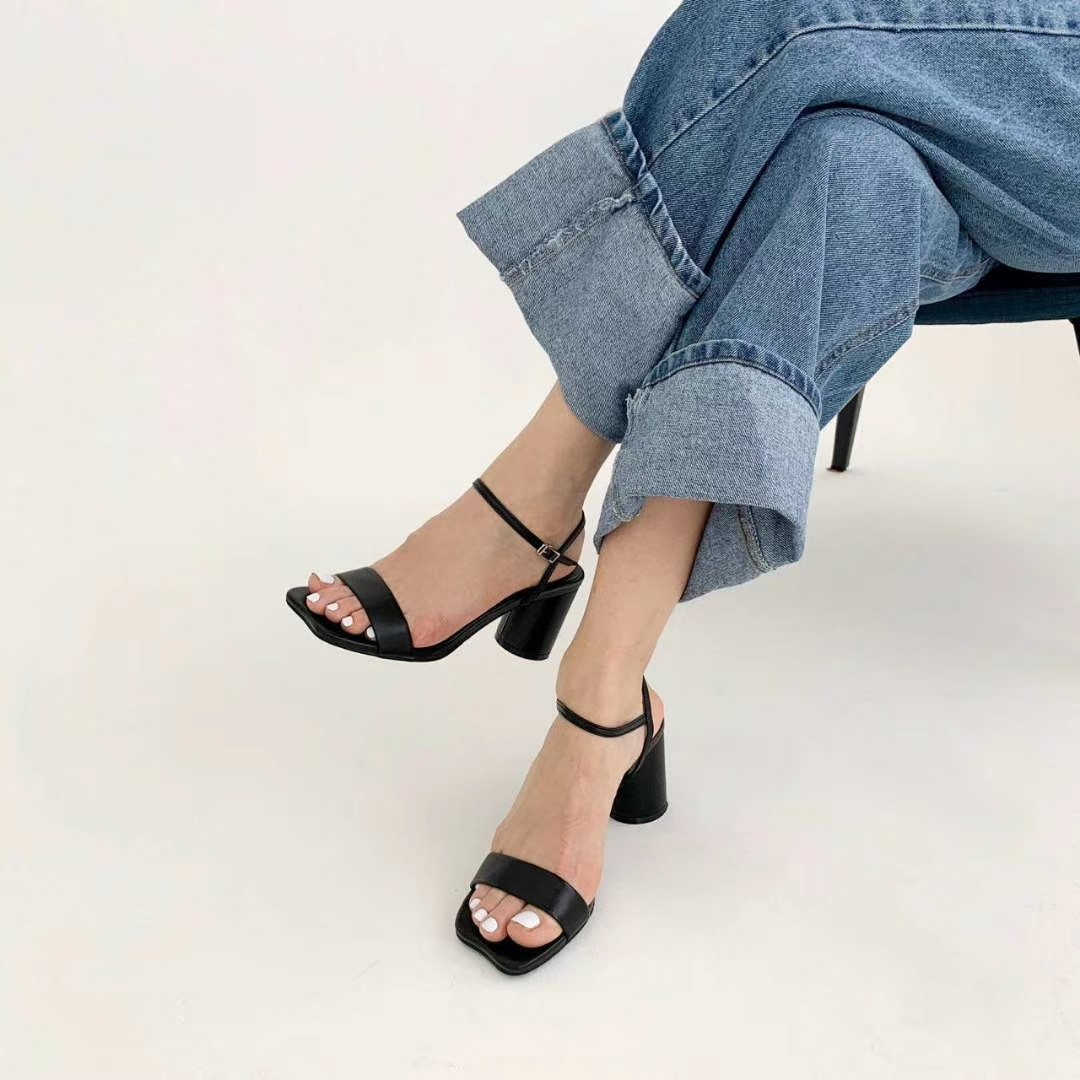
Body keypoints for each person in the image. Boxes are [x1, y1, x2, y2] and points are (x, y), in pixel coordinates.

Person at [286, 1, 1080, 975]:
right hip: (983, 123)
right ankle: (606, 696)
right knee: (842, 171)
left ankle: (529, 506)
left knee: (789, 13)